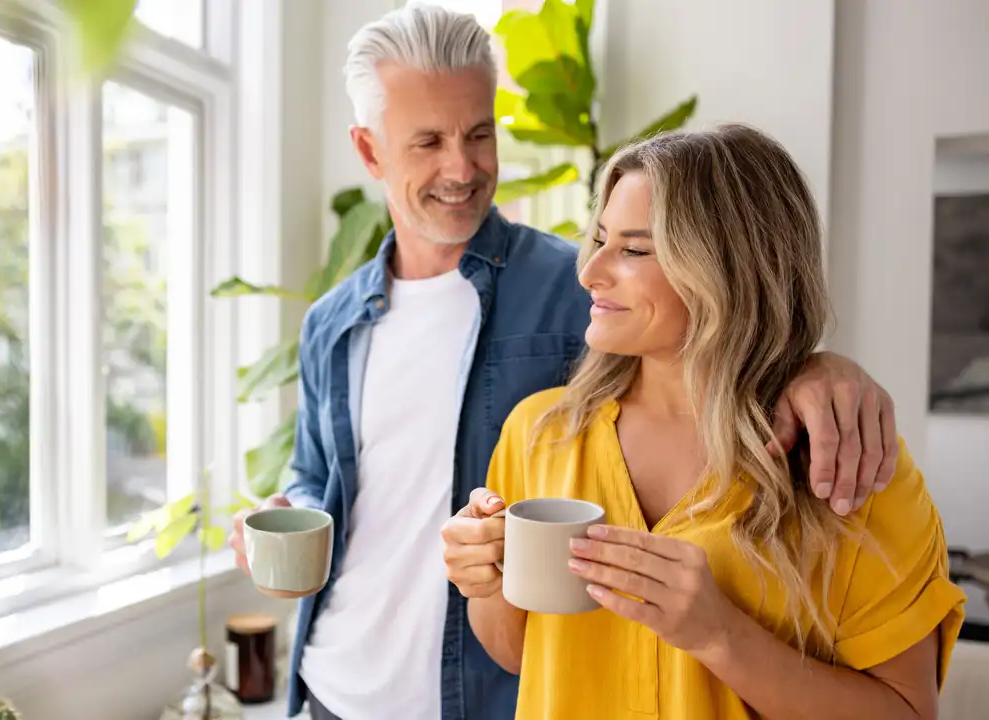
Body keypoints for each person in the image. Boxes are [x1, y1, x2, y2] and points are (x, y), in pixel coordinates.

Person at [229, 6, 900, 720]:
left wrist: (816, 367)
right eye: (427, 142)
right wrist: (292, 509)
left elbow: (715, 341)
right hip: (336, 687)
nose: (461, 167)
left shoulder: (580, 290)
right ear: (370, 152)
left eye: (479, 134)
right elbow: (318, 472)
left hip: (485, 697)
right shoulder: (332, 322)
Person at [442, 124, 968, 719]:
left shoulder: (848, 466)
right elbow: (517, 652)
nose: (590, 272)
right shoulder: (541, 435)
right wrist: (484, 579)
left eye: (635, 250)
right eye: (600, 239)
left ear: (730, 268)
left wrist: (722, 635)